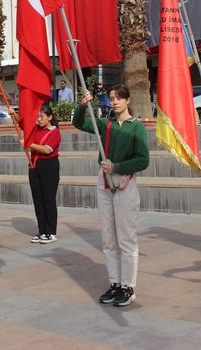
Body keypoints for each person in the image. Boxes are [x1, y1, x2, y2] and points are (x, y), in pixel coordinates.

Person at [73, 84, 149, 308]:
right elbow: (79, 123)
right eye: (111, 98)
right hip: (104, 181)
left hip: (124, 181)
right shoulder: (105, 125)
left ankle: (128, 286)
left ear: (128, 100)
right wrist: (82, 106)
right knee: (108, 238)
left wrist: (117, 166)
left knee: (126, 238)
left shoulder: (136, 127)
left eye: (118, 98)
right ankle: (115, 282)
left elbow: (143, 160)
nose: (114, 102)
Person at [25, 104, 62, 244]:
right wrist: (13, 113)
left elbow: (47, 150)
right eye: (38, 116)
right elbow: (22, 122)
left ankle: (51, 232)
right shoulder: (36, 129)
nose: (39, 119)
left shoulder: (54, 132)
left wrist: (29, 144)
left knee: (48, 200)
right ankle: (42, 231)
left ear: (50, 117)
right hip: (34, 166)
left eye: (42, 116)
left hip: (49, 167)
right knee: (38, 201)